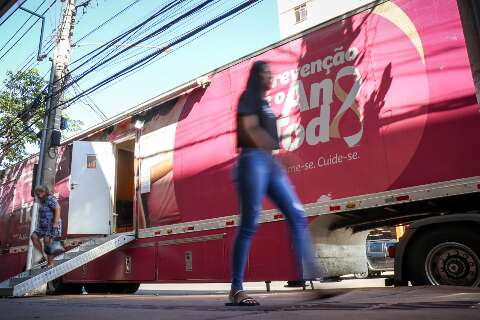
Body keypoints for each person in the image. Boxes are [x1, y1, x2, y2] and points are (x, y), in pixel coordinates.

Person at [228, 61, 317, 306]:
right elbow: (249, 128)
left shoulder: (265, 104)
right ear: (257, 76)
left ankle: (312, 279)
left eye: (271, 73)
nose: (271, 77)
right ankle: (236, 289)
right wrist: (276, 151)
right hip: (252, 161)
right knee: (248, 225)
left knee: (297, 215)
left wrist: (277, 156)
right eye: (266, 73)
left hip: (269, 163)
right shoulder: (248, 97)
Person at [30, 185, 62, 268]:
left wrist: (55, 223)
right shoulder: (42, 201)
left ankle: (50, 263)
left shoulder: (50, 199)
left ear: (44, 192)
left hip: (51, 225)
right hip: (43, 227)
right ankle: (43, 256)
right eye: (36, 194)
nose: (37, 195)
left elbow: (58, 209)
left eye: (39, 193)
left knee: (46, 240)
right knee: (33, 236)